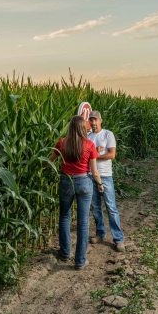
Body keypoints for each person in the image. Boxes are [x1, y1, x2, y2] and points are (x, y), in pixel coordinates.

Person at [49, 115, 104, 269]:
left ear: (70, 127)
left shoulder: (61, 143)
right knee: (83, 222)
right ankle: (80, 261)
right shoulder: (89, 145)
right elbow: (94, 171)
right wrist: (100, 184)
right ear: (82, 128)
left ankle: (65, 252)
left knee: (65, 216)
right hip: (84, 183)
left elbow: (49, 162)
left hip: (66, 181)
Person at [87, 110, 125, 252]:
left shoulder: (108, 134)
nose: (93, 123)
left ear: (100, 120)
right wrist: (96, 153)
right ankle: (100, 234)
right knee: (96, 207)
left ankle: (118, 239)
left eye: (95, 120)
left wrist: (94, 155)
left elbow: (112, 154)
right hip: (90, 176)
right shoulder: (88, 136)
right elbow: (85, 154)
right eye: (91, 120)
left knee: (111, 207)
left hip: (105, 176)